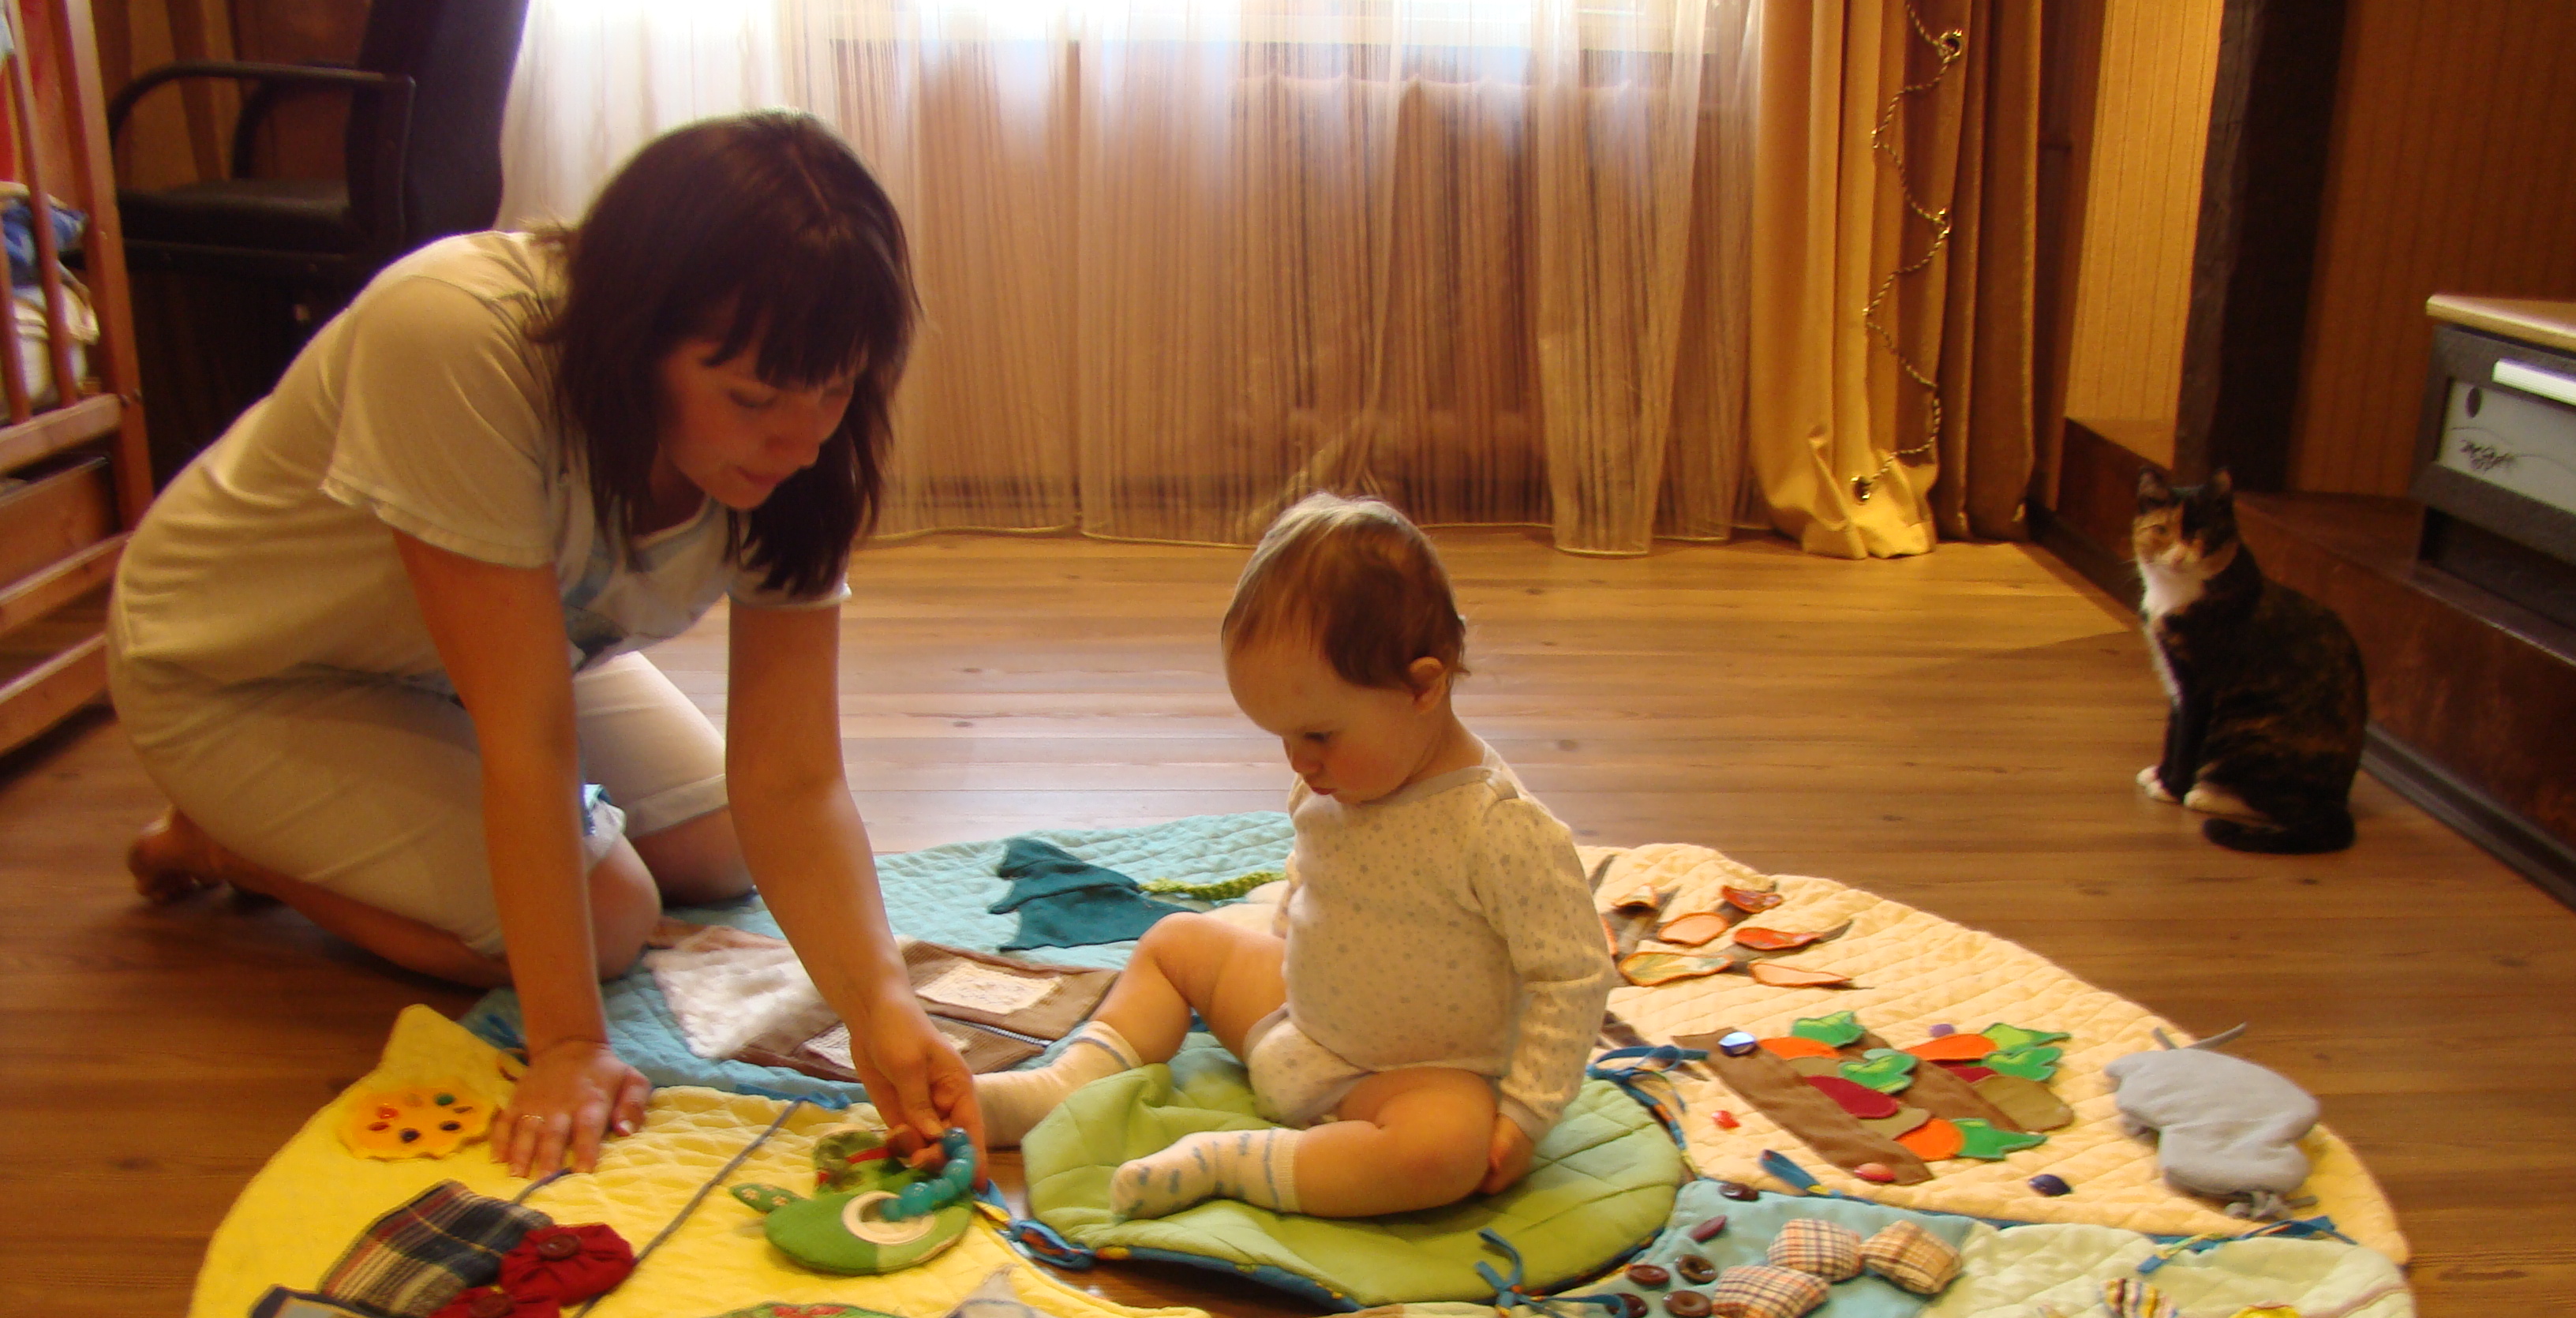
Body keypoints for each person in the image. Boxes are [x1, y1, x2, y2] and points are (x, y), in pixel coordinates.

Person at [110, 113, 979, 1180]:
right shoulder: (454, 334)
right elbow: (527, 733)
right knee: (612, 914)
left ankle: (312, 822)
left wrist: (879, 1002)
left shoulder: (805, 439)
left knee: (725, 842)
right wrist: (569, 1044)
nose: (801, 442)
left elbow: (792, 780)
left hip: (466, 665)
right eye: (751, 399)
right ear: (632, 337)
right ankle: (224, 841)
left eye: (837, 391)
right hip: (243, 671)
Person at [973, 494, 1614, 1219]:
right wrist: (1279, 940)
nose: (1300, 763)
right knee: (1176, 940)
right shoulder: (1335, 779)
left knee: (1443, 1152)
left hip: (1411, 1076)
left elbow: (1575, 974)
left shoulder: (1499, 828)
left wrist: (1526, 1114)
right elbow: (1311, 876)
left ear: (1424, 686)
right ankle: (1060, 1088)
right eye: (1281, 738)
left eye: (1318, 735)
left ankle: (1232, 1165)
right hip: (1295, 1017)